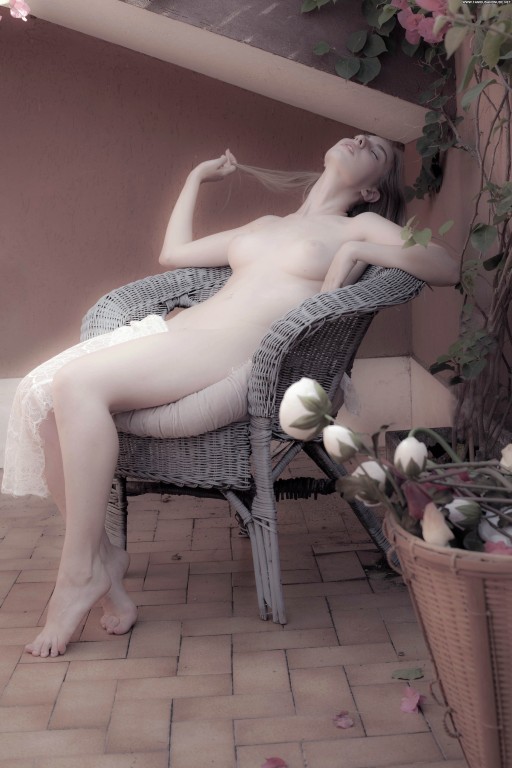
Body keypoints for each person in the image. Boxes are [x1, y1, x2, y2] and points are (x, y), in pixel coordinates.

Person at [2, 135, 459, 657]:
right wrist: (196, 178)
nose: (358, 140)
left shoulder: (360, 226)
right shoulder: (267, 224)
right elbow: (173, 254)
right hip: (178, 334)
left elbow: (445, 267)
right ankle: (103, 566)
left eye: (374, 150)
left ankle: (78, 574)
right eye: (358, 135)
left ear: (373, 191)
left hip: (236, 349)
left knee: (75, 384)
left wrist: (360, 251)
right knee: (42, 402)